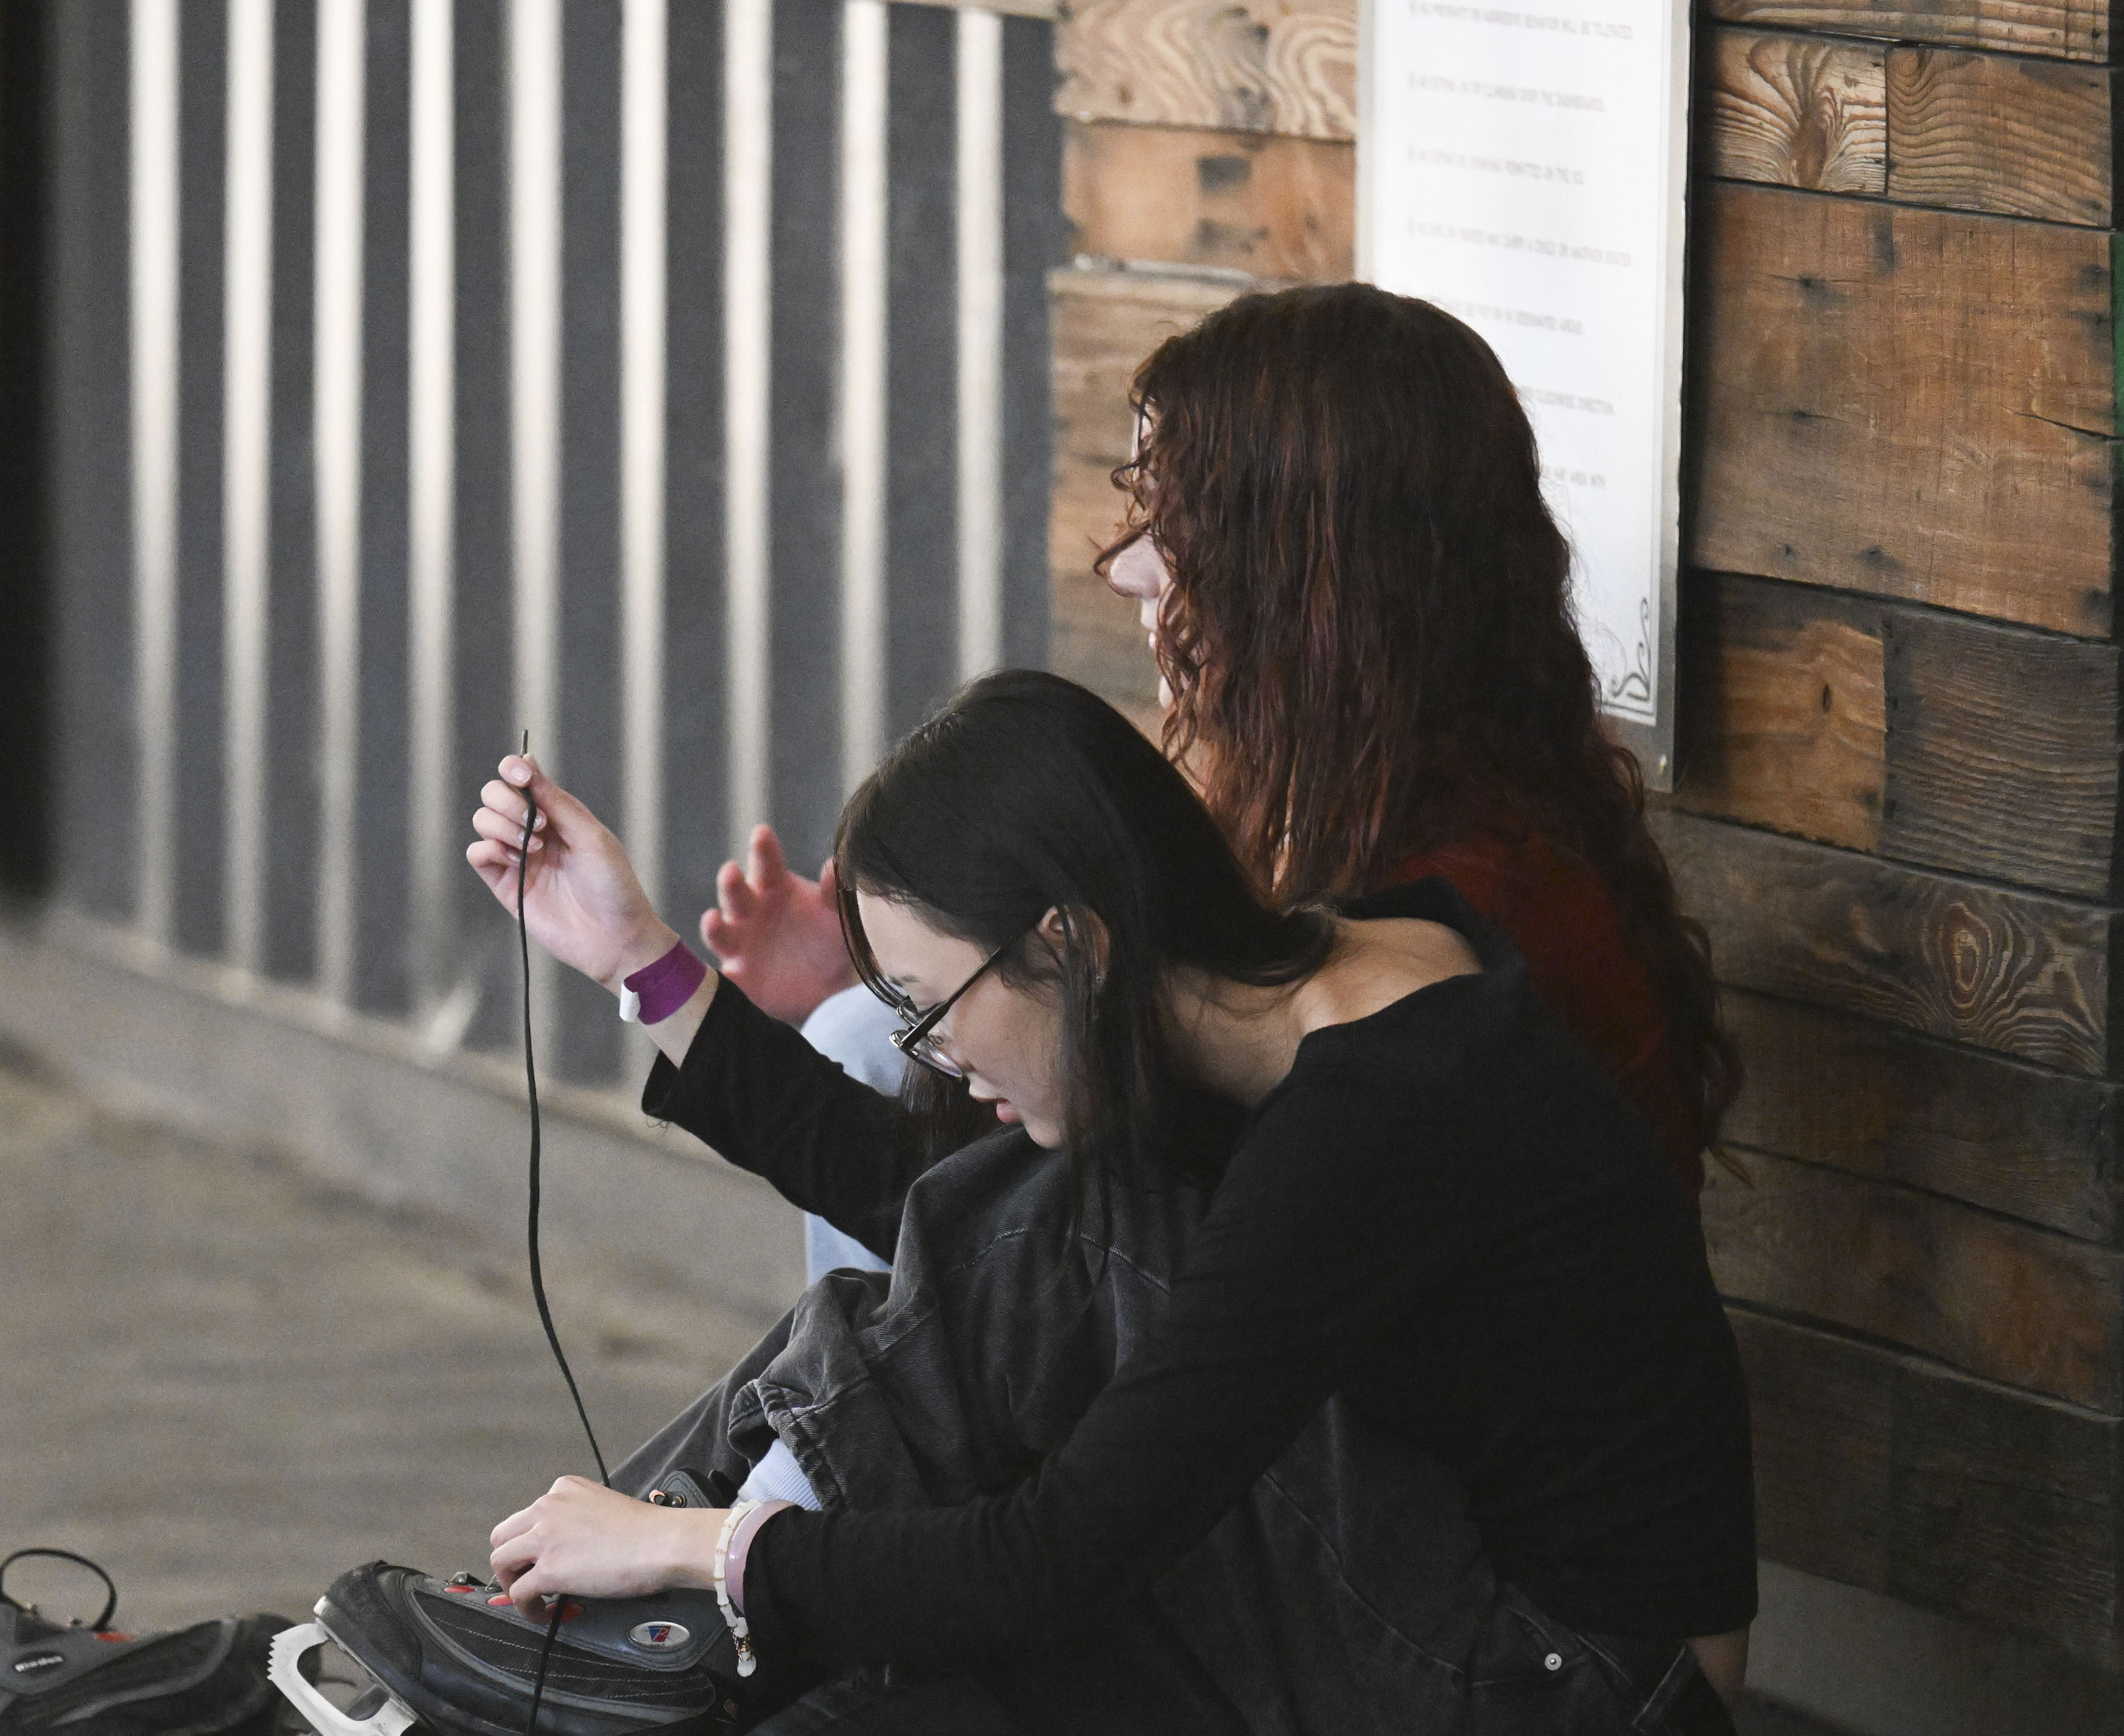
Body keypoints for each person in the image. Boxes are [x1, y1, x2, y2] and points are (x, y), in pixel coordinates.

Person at [25, 673, 1754, 1736]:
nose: (933, 1057)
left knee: (1044, 1250)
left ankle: (512, 1709)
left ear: (1070, 944)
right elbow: (933, 1209)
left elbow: (1053, 1548)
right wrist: (646, 968)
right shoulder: (1303, 993)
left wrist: (696, 1546)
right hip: (1480, 1673)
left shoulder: (1370, 1112)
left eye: (931, 1012)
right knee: (969, 1375)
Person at [703, 283, 1735, 1284]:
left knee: (876, 1067)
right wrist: (919, 979)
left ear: (1316, 576)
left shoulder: (1462, 903)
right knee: (866, 1036)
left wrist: (688, 985)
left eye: (1176, 521)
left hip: (1402, 1441)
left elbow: (1089, 1239)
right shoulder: (1332, 800)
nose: (1128, 569)